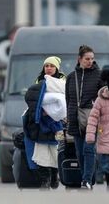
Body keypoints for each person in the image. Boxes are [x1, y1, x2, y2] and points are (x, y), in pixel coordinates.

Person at [23, 56, 66, 189]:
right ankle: (44, 181)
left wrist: (55, 111)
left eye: (51, 66)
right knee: (41, 154)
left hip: (58, 124)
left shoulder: (63, 82)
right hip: (41, 124)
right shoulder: (39, 82)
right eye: (46, 66)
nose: (48, 68)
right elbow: (34, 99)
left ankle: (54, 176)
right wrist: (41, 110)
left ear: (57, 68)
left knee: (55, 152)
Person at [65, 45, 103, 189]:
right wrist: (69, 118)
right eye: (87, 59)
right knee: (79, 153)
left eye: (92, 59)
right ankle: (89, 178)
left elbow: (104, 97)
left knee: (89, 149)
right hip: (75, 119)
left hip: (92, 119)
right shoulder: (71, 77)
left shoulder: (99, 75)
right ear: (79, 59)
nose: (90, 61)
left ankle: (86, 180)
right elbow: (68, 100)